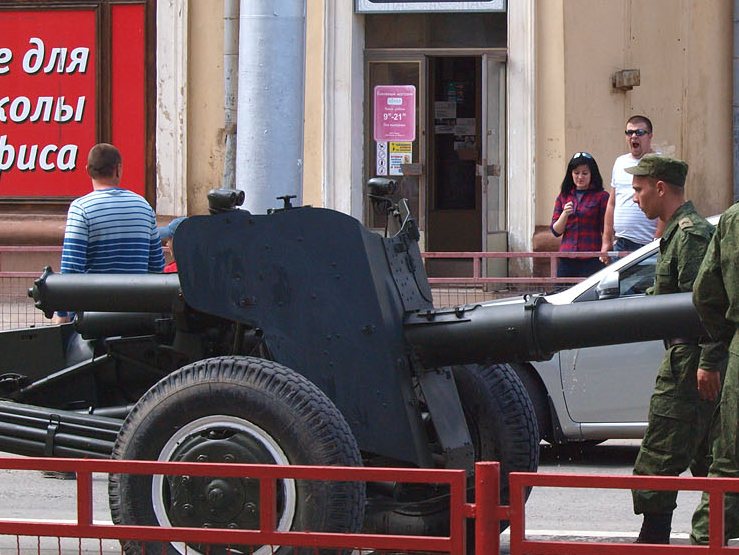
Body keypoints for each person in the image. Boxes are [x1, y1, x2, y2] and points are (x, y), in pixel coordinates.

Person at [626, 154, 725, 544]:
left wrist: (709, 361)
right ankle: (711, 538)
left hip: (690, 361)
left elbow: (710, 305)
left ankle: (653, 540)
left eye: (639, 190)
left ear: (660, 188)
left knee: (660, 452)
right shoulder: (675, 235)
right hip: (688, 358)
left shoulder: (691, 235)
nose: (635, 198)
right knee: (709, 457)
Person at [54, 143, 164, 325]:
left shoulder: (81, 209)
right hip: (137, 313)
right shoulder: (143, 206)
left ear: (88, 170)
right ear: (118, 169)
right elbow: (156, 266)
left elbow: (71, 268)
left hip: (93, 317)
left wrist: (62, 313)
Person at [689, 202, 739, 546]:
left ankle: (707, 543)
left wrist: (723, 342)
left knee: (731, 462)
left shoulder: (733, 219)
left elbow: (705, 293)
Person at [600, 115, 664, 264]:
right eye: (629, 132)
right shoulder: (620, 162)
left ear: (650, 136)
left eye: (639, 132)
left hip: (647, 244)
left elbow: (665, 205)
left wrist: (657, 239)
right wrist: (606, 240)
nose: (634, 136)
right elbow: (612, 203)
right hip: (621, 242)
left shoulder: (659, 163)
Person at [550, 152, 609, 277]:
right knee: (563, 288)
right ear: (570, 174)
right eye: (576, 173)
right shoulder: (563, 196)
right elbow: (556, 231)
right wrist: (565, 214)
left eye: (585, 173)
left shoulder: (601, 196)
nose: (580, 177)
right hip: (567, 257)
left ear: (592, 174)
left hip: (591, 256)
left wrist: (606, 250)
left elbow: (606, 228)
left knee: (590, 289)